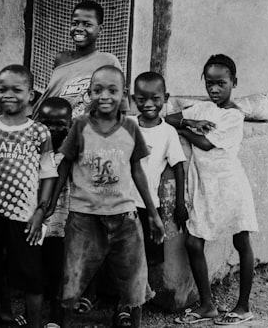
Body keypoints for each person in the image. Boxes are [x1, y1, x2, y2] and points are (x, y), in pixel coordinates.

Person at [50, 65, 165, 328]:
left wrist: (154, 215)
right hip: (84, 217)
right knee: (72, 278)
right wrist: (50, 204)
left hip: (124, 217)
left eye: (112, 90)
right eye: (98, 90)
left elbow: (138, 171)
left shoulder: (130, 128)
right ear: (90, 92)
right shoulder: (79, 127)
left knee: (134, 280)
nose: (105, 96)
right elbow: (65, 165)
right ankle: (57, 322)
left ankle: (131, 321)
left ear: (123, 94)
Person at [0, 64, 57, 328]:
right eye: (2, 89)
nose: (8, 95)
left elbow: (49, 174)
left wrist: (41, 211)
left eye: (17, 90)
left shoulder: (40, 132)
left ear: (31, 95)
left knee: (31, 277)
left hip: (25, 216)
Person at [167, 55, 258, 326]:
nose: (214, 89)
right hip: (204, 187)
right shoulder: (202, 109)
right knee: (194, 242)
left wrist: (186, 132)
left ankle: (243, 306)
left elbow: (206, 144)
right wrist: (188, 123)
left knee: (241, 241)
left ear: (234, 82)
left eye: (221, 83)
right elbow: (170, 118)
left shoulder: (234, 116)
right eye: (209, 83)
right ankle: (207, 305)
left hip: (229, 185)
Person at [132, 71, 188, 269]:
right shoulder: (128, 126)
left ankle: (143, 298)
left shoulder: (167, 132)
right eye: (141, 99)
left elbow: (178, 167)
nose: (148, 104)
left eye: (155, 98)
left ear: (165, 98)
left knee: (148, 257)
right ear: (133, 99)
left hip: (149, 205)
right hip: (122, 203)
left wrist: (180, 204)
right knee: (122, 254)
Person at [35, 0, 122, 118]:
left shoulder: (108, 61)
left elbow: (119, 103)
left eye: (87, 24)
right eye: (75, 23)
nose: (79, 28)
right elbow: (52, 95)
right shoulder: (61, 59)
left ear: (100, 29)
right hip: (55, 125)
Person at [33, 96, 73, 328]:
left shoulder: (71, 151)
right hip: (37, 220)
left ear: (70, 123)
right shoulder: (34, 148)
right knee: (36, 268)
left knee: (59, 270)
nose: (54, 129)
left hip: (62, 222)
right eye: (48, 123)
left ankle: (56, 318)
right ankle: (35, 314)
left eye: (60, 124)